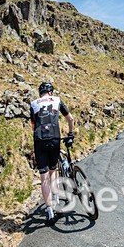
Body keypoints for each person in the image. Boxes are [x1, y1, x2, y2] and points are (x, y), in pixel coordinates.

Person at [30, 82, 74, 224]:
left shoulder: (33, 104)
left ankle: (49, 213)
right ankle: (56, 204)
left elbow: (33, 126)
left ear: (40, 93)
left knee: (44, 178)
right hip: (55, 138)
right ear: (50, 92)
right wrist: (70, 133)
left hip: (40, 140)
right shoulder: (57, 100)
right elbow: (70, 119)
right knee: (53, 171)